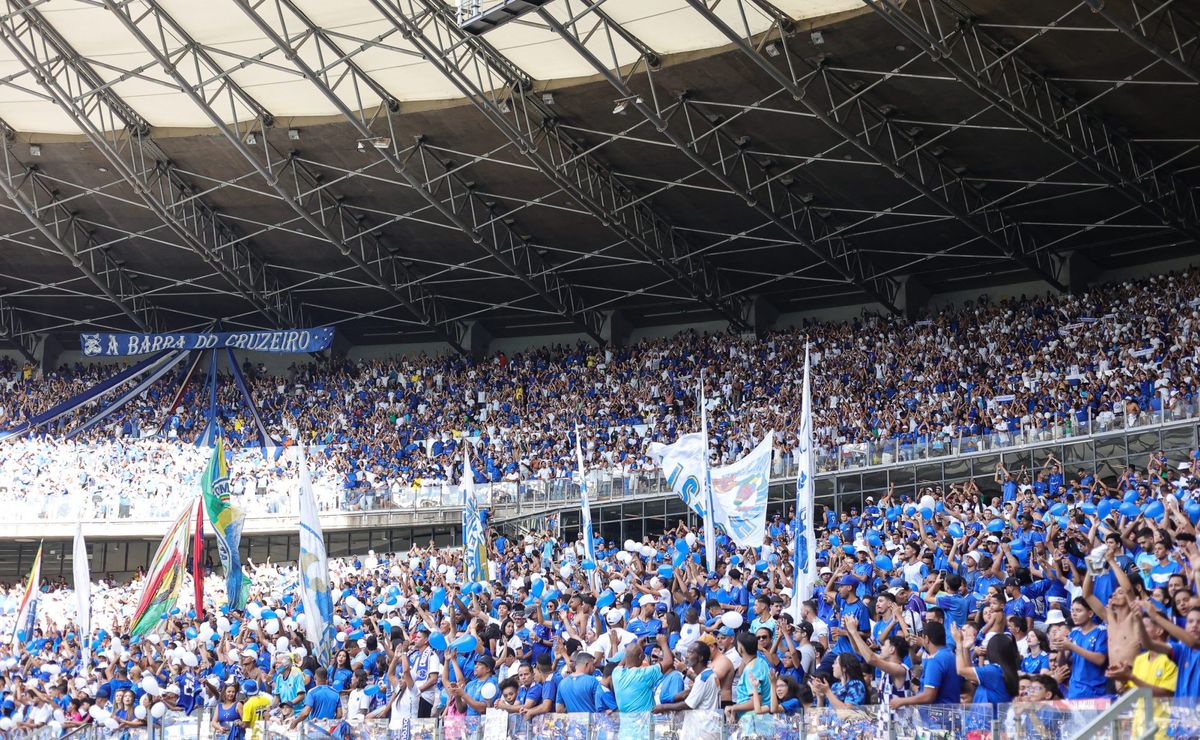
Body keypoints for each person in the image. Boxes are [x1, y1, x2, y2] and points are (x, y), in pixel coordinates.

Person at [612, 633, 673, 713]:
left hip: (625, 724)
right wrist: (663, 643)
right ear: (641, 657)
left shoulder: (616, 674)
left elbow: (626, 658)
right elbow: (668, 662)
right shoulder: (644, 674)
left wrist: (637, 646)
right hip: (644, 724)